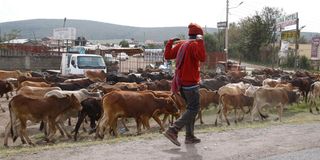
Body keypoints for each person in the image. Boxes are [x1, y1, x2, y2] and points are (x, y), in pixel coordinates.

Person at [163, 23, 206, 146]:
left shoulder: (182, 44)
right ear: (199, 35)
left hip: (181, 84)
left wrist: (170, 43)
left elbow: (168, 56)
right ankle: (173, 130)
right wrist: (201, 42)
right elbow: (202, 57)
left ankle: (189, 136)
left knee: (190, 109)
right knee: (194, 109)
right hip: (191, 84)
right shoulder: (194, 45)